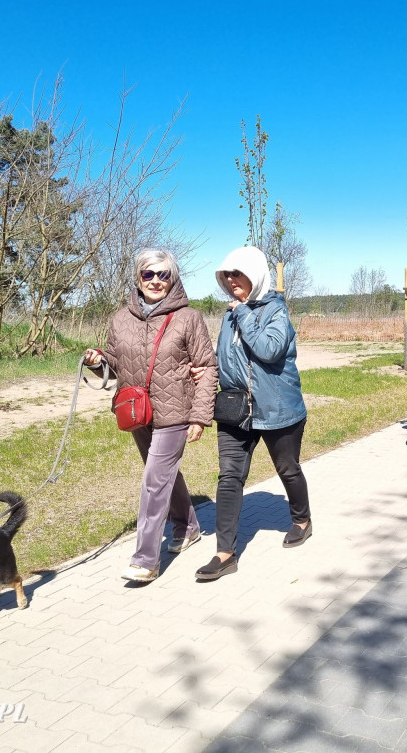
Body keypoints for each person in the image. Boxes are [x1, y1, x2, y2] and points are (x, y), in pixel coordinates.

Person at [84, 249, 217, 582]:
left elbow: (208, 368)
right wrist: (97, 362)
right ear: (137, 278)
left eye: (163, 274)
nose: (156, 281)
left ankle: (145, 559)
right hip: (136, 410)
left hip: (175, 411)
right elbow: (114, 363)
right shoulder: (120, 319)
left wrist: (200, 415)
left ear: (173, 279)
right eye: (149, 274)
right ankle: (187, 526)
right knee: (162, 474)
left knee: (154, 482)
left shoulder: (189, 318)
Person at [195, 246, 312, 581]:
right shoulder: (232, 315)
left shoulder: (276, 313)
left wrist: (244, 313)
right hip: (235, 410)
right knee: (229, 476)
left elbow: (268, 350)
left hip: (278, 408)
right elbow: (226, 357)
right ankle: (225, 552)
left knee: (288, 469)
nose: (232, 280)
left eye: (238, 273)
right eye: (227, 275)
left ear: (256, 275)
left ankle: (302, 520)